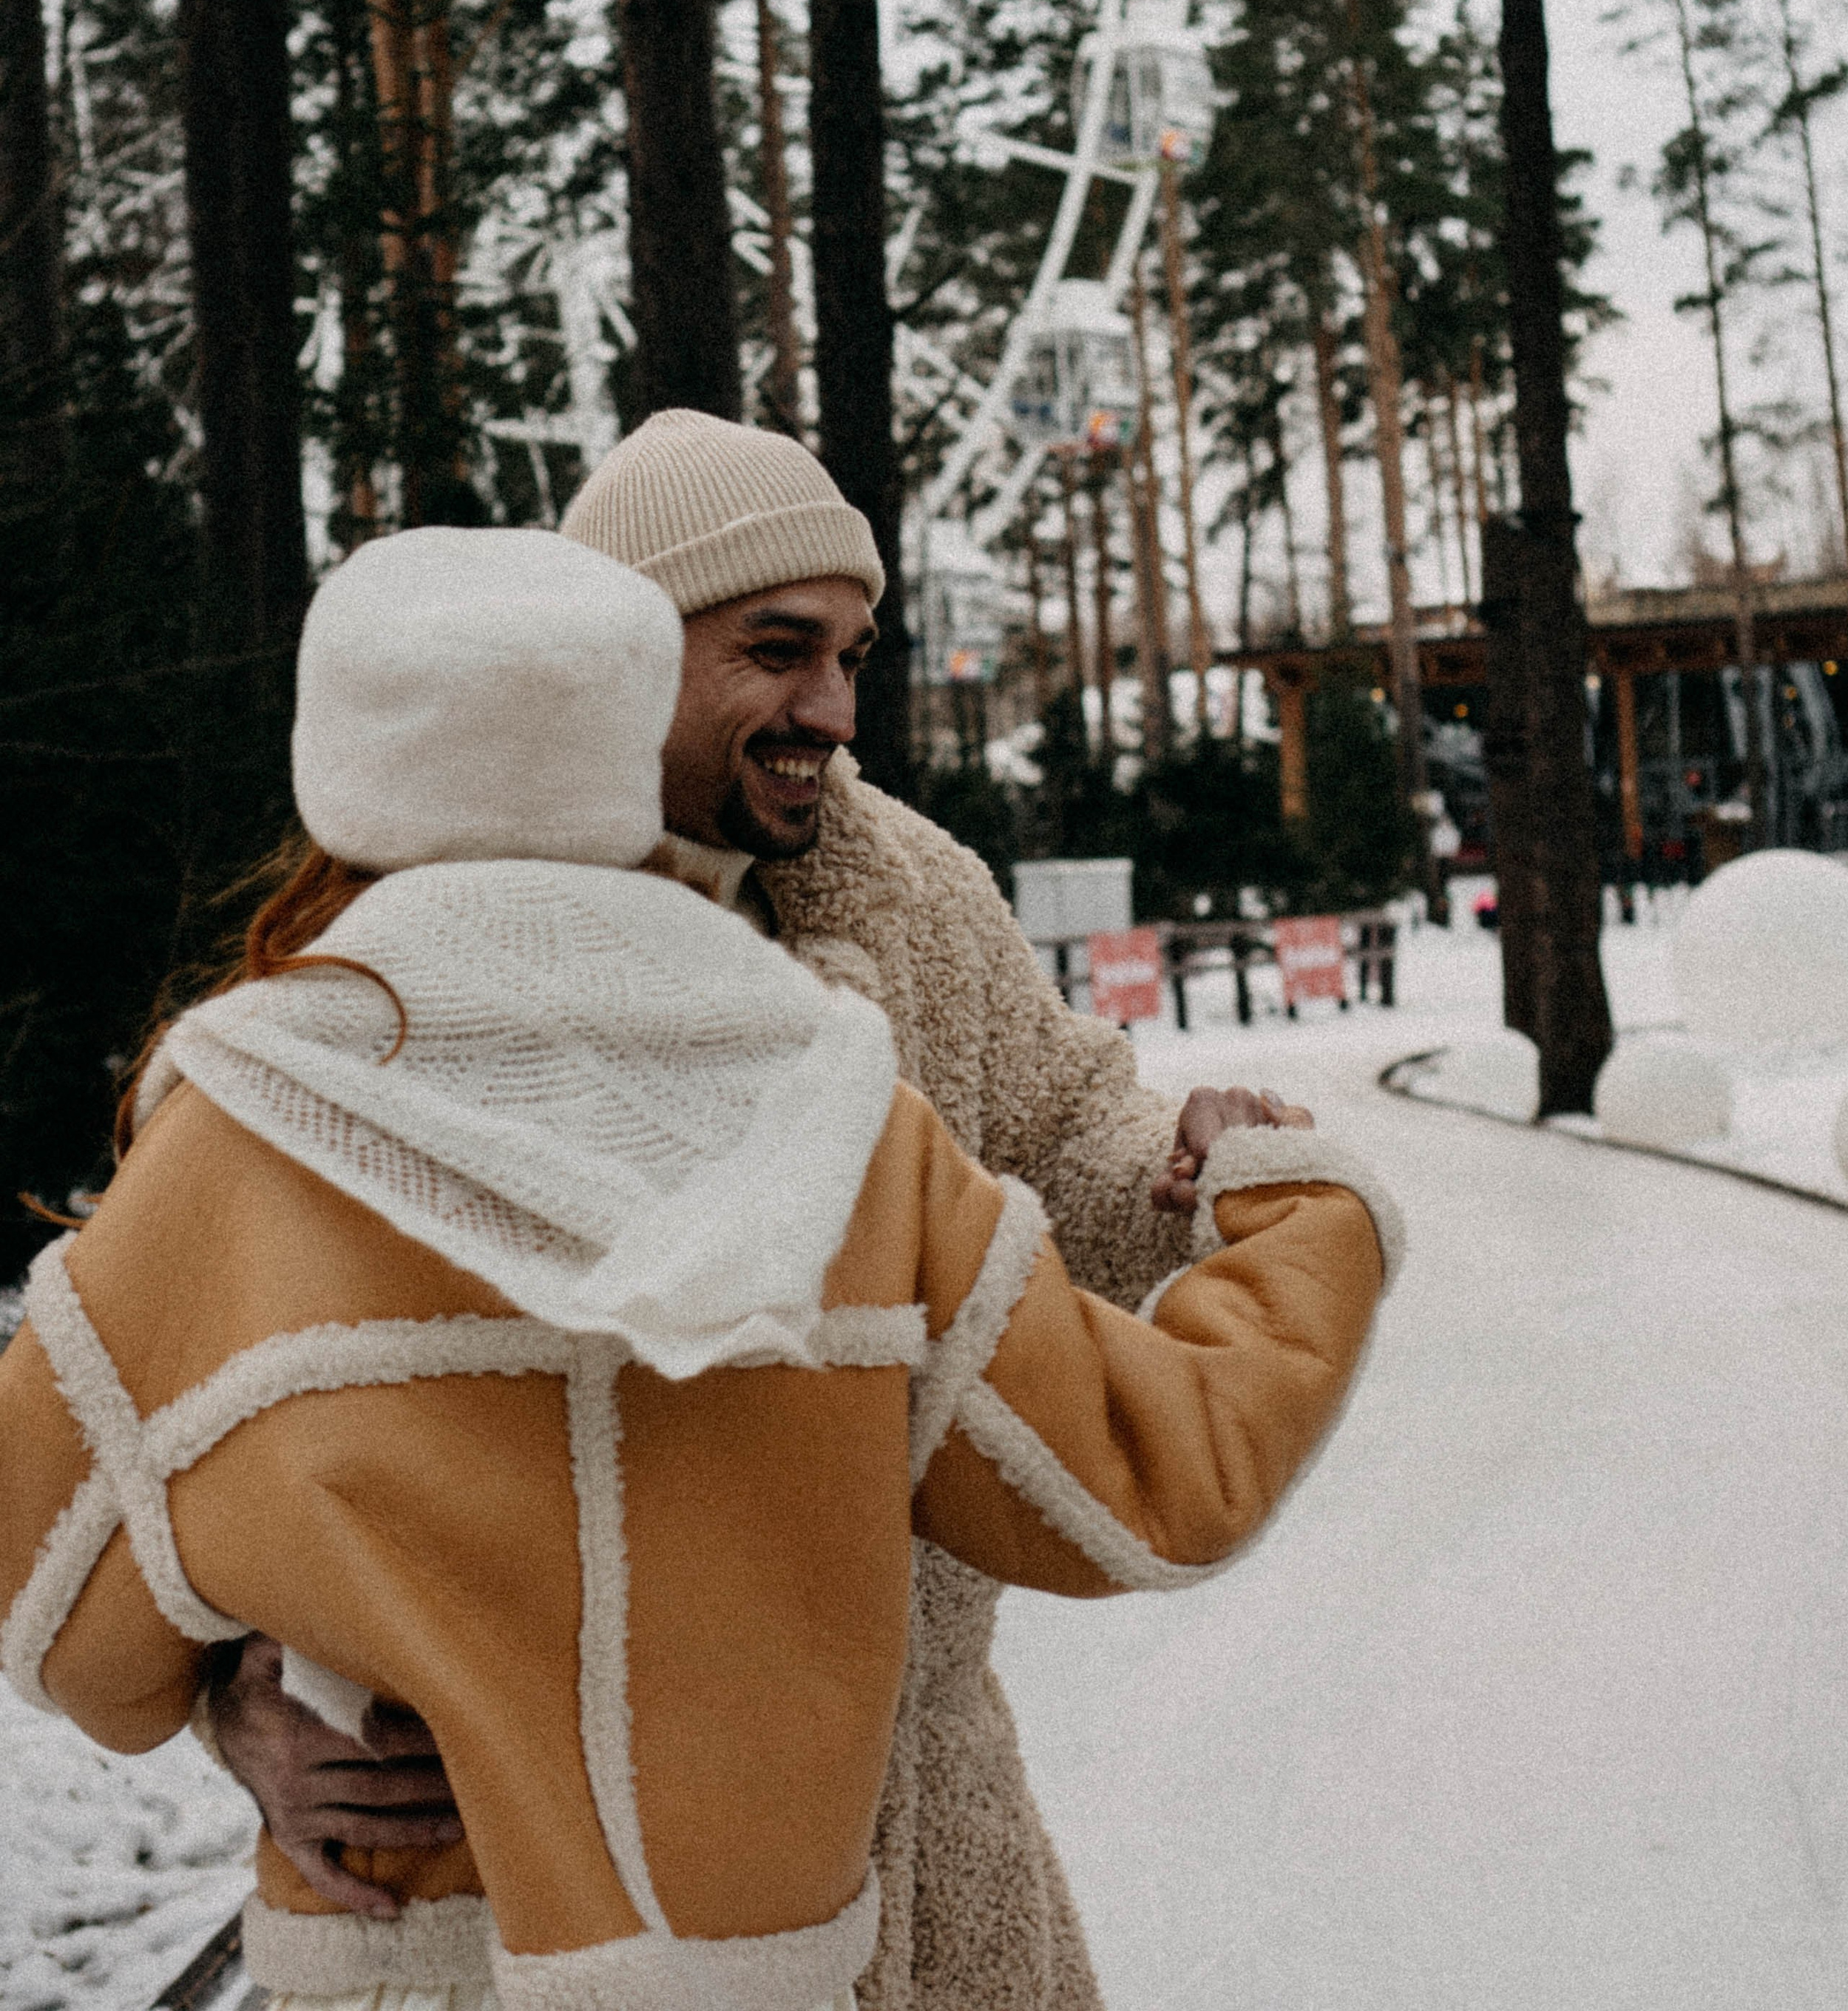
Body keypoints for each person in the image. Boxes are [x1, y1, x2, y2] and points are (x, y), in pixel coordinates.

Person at [0, 525, 1398, 2011]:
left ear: (339, 761)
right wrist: (1301, 1206)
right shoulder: (844, 1121)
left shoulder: (222, 1150)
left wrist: (250, 1695)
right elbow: (1160, 1477)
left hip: (402, 1974)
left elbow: (65, 1626)